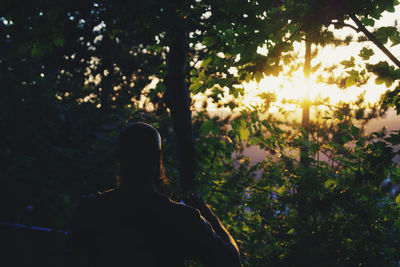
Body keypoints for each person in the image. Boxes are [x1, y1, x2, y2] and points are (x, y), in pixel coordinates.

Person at [66, 122, 241, 267]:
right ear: (158, 158)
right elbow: (231, 260)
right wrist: (209, 215)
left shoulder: (88, 210)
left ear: (118, 156)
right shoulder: (183, 219)